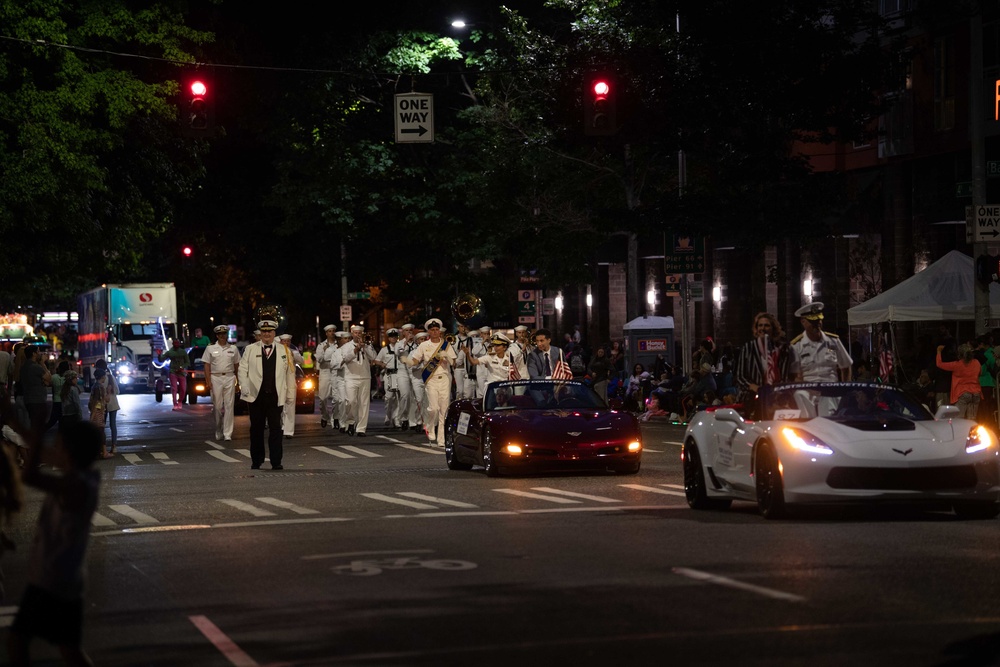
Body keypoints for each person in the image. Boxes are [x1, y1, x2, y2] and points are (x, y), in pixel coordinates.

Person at [6, 418, 103, 667]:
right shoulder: (83, 477)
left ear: (70, 452)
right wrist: (15, 423)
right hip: (64, 579)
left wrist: (33, 432)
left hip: (52, 581)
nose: (54, 451)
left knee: (18, 641)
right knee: (70, 650)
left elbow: (30, 476)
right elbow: (46, 456)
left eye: (59, 446)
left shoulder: (77, 486)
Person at [238, 319, 295, 470]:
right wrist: (243, 386)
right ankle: (257, 460)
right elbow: (242, 369)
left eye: (269, 331)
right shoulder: (250, 349)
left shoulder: (285, 350)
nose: (267, 334)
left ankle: (276, 461)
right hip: (256, 396)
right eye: (264, 332)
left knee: (276, 429)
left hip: (275, 396)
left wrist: (290, 394)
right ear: (260, 334)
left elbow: (290, 374)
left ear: (274, 333)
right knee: (256, 429)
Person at [402, 318, 457, 446]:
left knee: (444, 409)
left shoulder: (446, 345)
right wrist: (407, 361)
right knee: (433, 408)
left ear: (440, 331)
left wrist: (447, 357)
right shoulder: (423, 345)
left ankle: (441, 439)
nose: (435, 332)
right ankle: (430, 427)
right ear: (429, 332)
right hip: (431, 379)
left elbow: (454, 363)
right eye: (432, 330)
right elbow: (415, 360)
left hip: (444, 378)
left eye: (437, 330)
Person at [734, 312, 800, 401]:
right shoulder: (748, 348)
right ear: (756, 328)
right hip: (752, 396)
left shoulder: (782, 349)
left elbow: (785, 376)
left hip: (777, 396)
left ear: (773, 329)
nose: (763, 328)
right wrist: (754, 387)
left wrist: (776, 390)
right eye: (760, 325)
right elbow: (740, 377)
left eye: (767, 325)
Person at [789, 302, 852, 383]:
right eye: (813, 321)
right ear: (803, 321)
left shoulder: (833, 341)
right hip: (808, 391)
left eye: (819, 319)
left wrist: (845, 389)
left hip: (831, 389)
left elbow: (846, 366)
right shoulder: (796, 346)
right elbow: (793, 376)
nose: (817, 324)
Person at [202, 324, 241, 442]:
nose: (222, 336)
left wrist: (238, 382)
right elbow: (206, 365)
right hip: (216, 377)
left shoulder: (233, 348)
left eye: (224, 334)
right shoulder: (210, 348)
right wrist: (208, 381)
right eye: (220, 334)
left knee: (229, 405)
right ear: (217, 336)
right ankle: (219, 429)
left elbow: (237, 365)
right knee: (217, 406)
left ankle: (228, 433)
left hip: (229, 376)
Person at [337, 325, 376, 437]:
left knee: (364, 403)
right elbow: (346, 358)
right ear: (352, 333)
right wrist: (356, 349)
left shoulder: (368, 345)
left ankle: (361, 429)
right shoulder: (347, 346)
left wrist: (365, 347)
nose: (358, 335)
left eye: (360, 333)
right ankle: (350, 422)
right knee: (350, 402)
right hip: (351, 377)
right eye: (355, 333)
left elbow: (373, 357)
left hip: (365, 376)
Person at [936, 342, 982, 419]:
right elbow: (980, 373)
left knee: (959, 420)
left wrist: (939, 351)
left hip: (962, 393)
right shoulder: (976, 362)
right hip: (976, 393)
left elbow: (939, 364)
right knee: (972, 420)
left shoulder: (956, 365)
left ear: (959, 354)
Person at [20, 346, 51, 441]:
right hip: (38, 400)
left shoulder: (24, 366)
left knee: (33, 424)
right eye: (38, 351)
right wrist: (42, 362)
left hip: (28, 399)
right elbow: (49, 378)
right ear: (33, 354)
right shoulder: (35, 367)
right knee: (38, 427)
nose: (40, 353)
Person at [374, 328, 402, 427]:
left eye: (395, 336)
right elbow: (376, 360)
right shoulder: (384, 349)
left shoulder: (401, 348)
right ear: (389, 338)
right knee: (389, 397)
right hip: (389, 374)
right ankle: (388, 415)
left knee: (399, 397)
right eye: (391, 337)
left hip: (399, 374)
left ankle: (396, 418)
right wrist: (382, 364)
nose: (393, 338)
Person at [277, 333, 303, 438]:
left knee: (290, 406)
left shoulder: (294, 352)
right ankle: (282, 425)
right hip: (280, 382)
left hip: (291, 382)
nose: (286, 343)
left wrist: (293, 355)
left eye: (288, 341)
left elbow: (301, 361)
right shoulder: (277, 352)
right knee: (280, 406)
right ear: (280, 342)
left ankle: (289, 431)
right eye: (284, 341)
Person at [93, 360, 120, 455]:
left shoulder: (100, 379)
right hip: (113, 404)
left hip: (102, 405)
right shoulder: (111, 376)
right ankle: (114, 446)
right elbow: (117, 391)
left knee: (101, 426)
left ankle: (102, 447)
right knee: (113, 425)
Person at [315, 325, 339, 428]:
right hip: (325, 372)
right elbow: (319, 359)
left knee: (337, 398)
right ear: (326, 333)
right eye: (329, 331)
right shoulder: (321, 345)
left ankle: (335, 418)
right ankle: (325, 416)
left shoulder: (339, 345)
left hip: (335, 372)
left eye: (333, 331)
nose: (332, 333)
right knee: (323, 398)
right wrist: (325, 351)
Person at [394, 324, 416, 432]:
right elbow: (399, 355)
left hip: (415, 371)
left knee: (416, 397)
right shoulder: (399, 344)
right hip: (402, 371)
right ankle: (403, 418)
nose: (409, 332)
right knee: (405, 395)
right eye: (406, 331)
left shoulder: (418, 343)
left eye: (411, 330)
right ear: (403, 333)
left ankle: (414, 421)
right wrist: (406, 342)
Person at [158, 338, 190, 411]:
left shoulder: (183, 352)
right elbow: (161, 359)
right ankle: (175, 404)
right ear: (173, 344)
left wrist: (182, 367)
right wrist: (159, 354)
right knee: (174, 388)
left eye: (177, 343)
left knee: (183, 389)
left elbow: (188, 362)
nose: (176, 344)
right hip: (173, 372)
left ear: (179, 344)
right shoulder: (170, 352)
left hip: (181, 373)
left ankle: (180, 401)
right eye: (175, 343)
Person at [451, 323, 476, 400]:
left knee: (468, 391)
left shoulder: (470, 339)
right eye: (462, 326)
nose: (463, 328)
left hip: (467, 368)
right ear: (458, 328)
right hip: (458, 368)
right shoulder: (453, 338)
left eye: (465, 326)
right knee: (460, 391)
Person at [46, 361, 70, 429]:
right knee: (62, 420)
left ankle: (42, 430)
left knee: (53, 420)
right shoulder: (67, 378)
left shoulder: (54, 377)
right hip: (65, 401)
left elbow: (47, 383)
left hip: (56, 401)